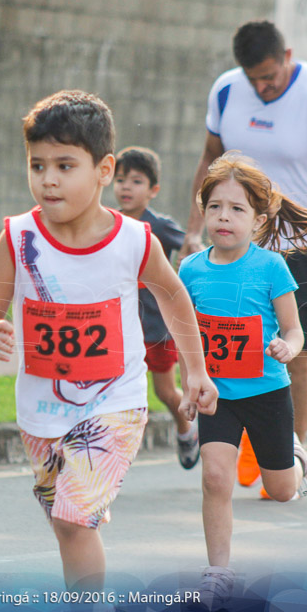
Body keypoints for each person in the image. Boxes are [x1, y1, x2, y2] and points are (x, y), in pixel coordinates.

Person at [0, 90, 218, 591]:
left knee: (72, 518)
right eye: (37, 165)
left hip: (116, 401)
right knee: (67, 526)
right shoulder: (18, 238)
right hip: (41, 411)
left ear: (104, 169)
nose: (48, 179)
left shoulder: (134, 240)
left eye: (65, 165)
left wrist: (197, 370)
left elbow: (174, 298)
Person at [181, 20, 307, 494]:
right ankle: (232, 443)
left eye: (269, 76)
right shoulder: (228, 90)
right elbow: (210, 159)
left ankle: (287, 459)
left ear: (288, 55)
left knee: (302, 355)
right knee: (226, 347)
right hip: (233, 246)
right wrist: (194, 229)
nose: (262, 86)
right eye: (253, 78)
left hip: (299, 247)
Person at [179, 154, 307, 610]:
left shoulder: (271, 268)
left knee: (281, 491)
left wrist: (289, 348)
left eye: (237, 209)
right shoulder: (191, 270)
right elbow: (188, 339)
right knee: (216, 478)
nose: (224, 217)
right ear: (204, 211)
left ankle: (296, 456)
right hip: (218, 396)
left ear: (258, 220)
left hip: (267, 392)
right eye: (215, 206)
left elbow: (295, 330)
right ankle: (218, 573)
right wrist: (189, 386)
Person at [112, 146, 199, 469]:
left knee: (165, 393)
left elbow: (191, 245)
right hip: (118, 329)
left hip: (158, 328)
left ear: (153, 191)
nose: (125, 187)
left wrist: (194, 249)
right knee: (117, 394)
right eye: (120, 180)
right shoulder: (107, 224)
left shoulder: (160, 227)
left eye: (135, 181)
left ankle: (186, 430)